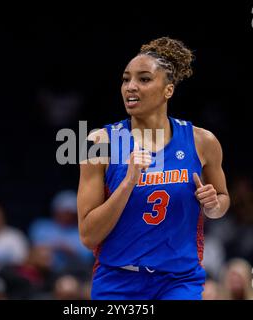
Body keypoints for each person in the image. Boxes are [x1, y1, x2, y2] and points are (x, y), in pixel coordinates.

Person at [77, 37, 230, 300]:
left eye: (144, 79)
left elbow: (222, 200)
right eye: (126, 79)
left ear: (168, 90)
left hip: (178, 281)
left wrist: (214, 206)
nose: (130, 87)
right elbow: (89, 235)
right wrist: (127, 183)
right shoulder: (98, 142)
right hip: (118, 280)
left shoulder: (203, 141)